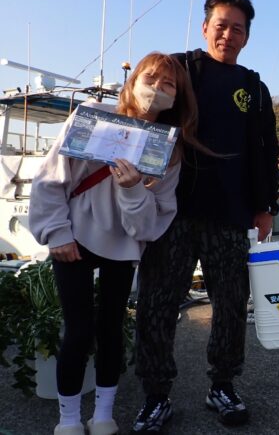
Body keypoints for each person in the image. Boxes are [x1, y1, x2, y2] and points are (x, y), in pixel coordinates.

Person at [29, 52, 204, 435]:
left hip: (122, 246)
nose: (157, 89)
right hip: (74, 237)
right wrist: (56, 232)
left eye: (169, 84)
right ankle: (68, 419)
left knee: (111, 329)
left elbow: (149, 224)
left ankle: (104, 415)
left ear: (177, 98)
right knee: (77, 331)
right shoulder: (92, 116)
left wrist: (132, 189)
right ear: (133, 80)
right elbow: (51, 176)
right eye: (150, 79)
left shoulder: (169, 150)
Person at [131, 0, 279, 432]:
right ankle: (156, 394)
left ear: (247, 36)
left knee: (231, 305)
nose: (228, 35)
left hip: (230, 215)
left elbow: (266, 150)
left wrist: (266, 205)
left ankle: (223, 385)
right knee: (157, 304)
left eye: (237, 29)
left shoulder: (254, 88)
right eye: (221, 26)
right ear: (204, 28)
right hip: (170, 211)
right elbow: (138, 106)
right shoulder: (177, 69)